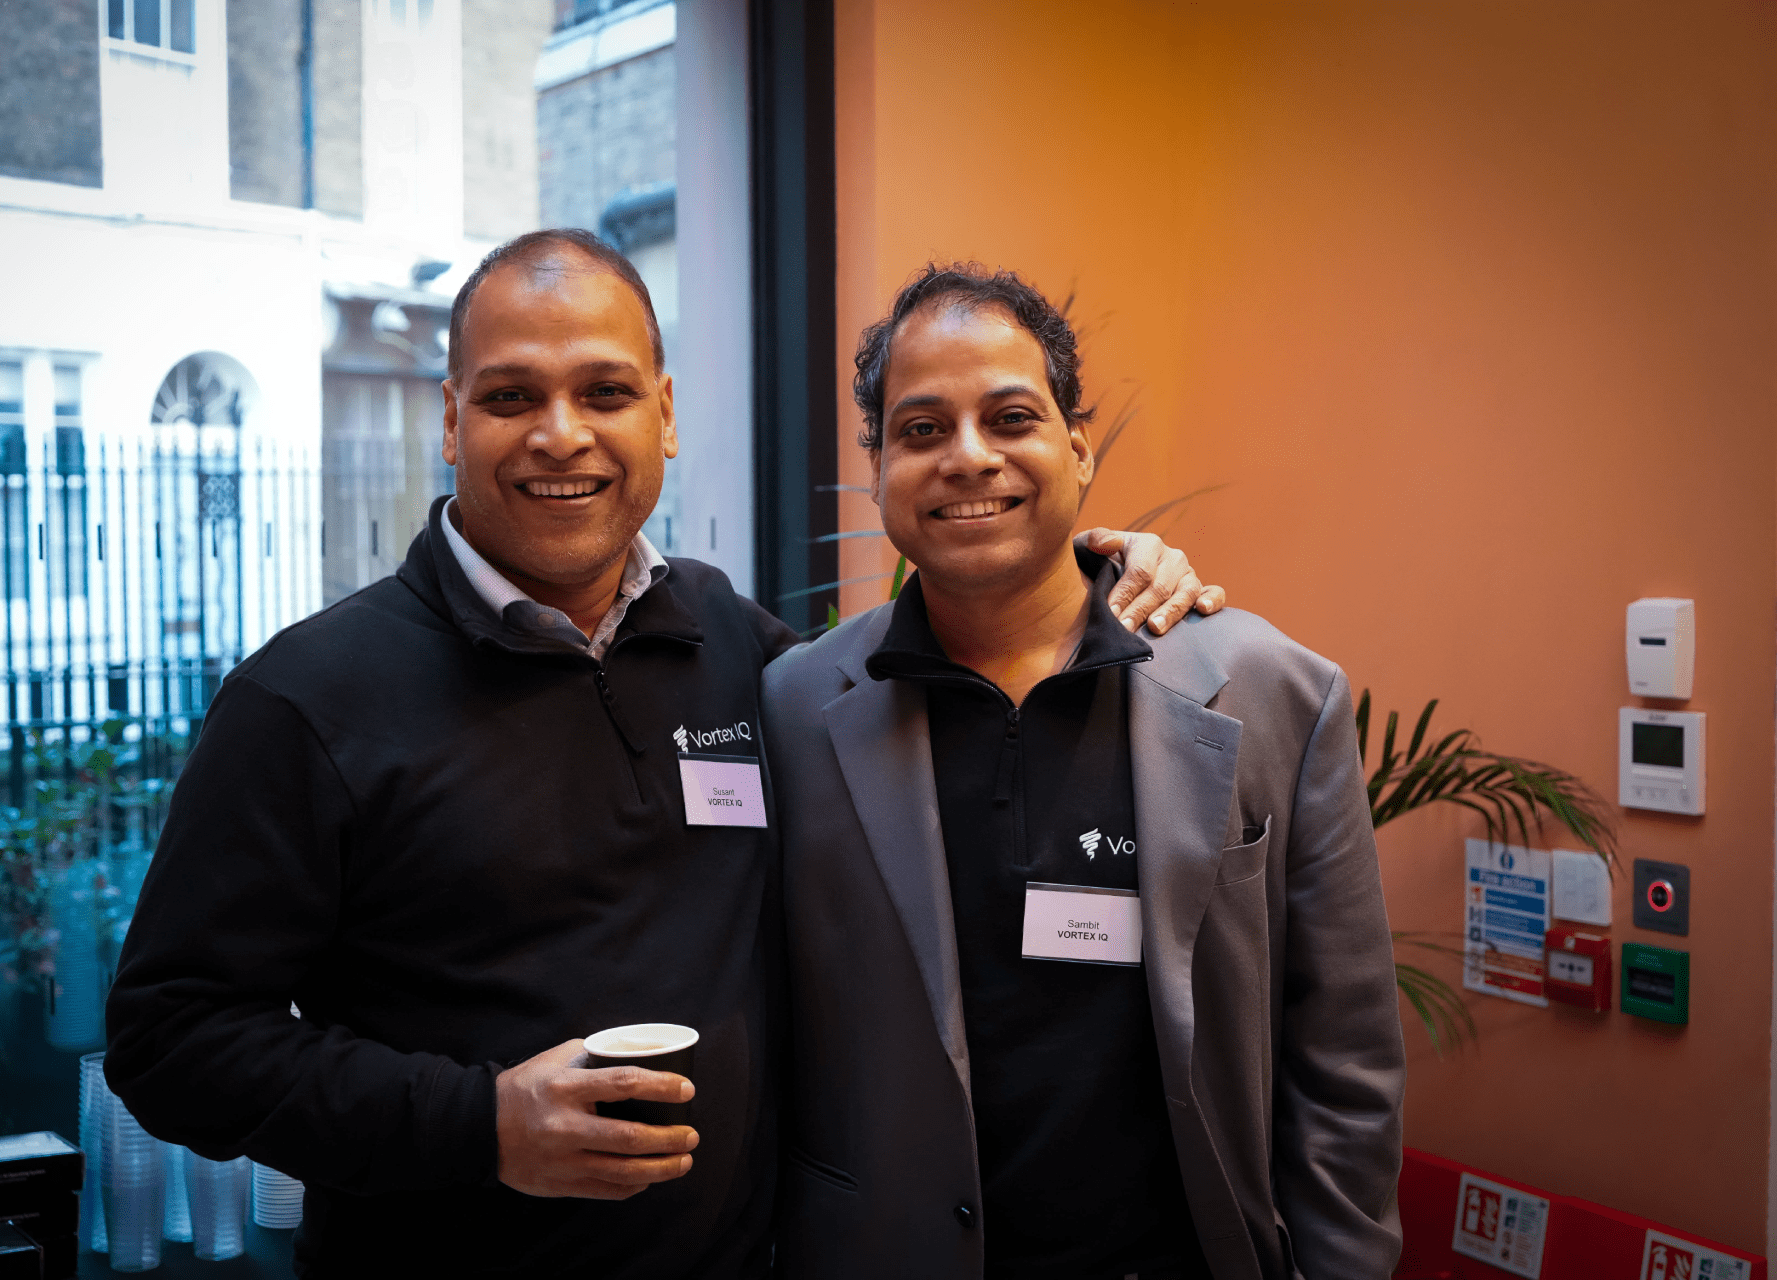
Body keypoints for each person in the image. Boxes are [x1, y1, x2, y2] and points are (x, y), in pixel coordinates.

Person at [103, 230, 1224, 1278]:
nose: (561, 434)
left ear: (665, 413)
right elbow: (169, 1039)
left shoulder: (733, 644)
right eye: (510, 397)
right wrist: (479, 1123)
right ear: (450, 420)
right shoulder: (307, 698)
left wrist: (1085, 575)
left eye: (605, 392)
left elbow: (944, 673)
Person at [762, 264, 1405, 1280]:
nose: (969, 456)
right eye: (922, 429)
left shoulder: (1273, 692)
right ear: (877, 466)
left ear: (1077, 447)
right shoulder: (796, 707)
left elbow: (1345, 1060)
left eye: (1010, 417)